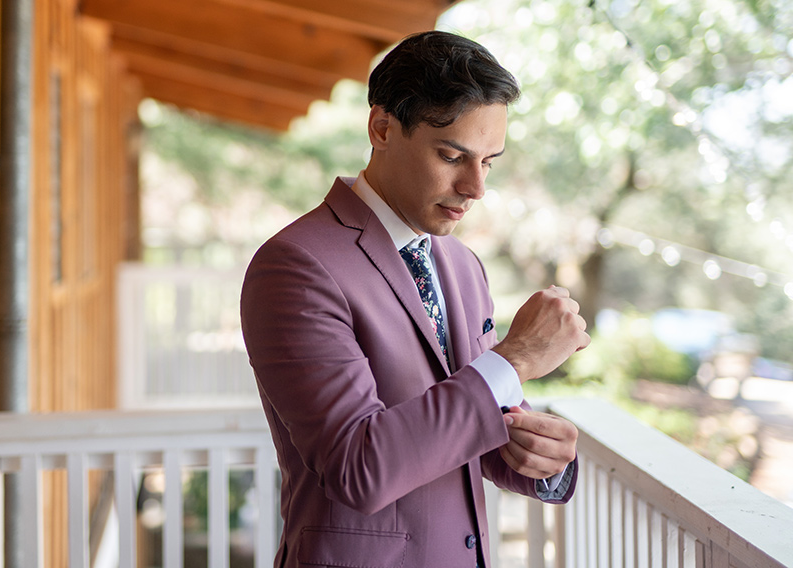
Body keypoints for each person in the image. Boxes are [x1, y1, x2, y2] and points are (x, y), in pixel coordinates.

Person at [240, 30, 590, 567]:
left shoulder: (463, 266)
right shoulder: (295, 266)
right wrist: (515, 358)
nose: (476, 186)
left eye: (489, 161)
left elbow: (461, 423)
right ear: (382, 128)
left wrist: (537, 456)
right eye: (453, 155)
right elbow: (359, 468)